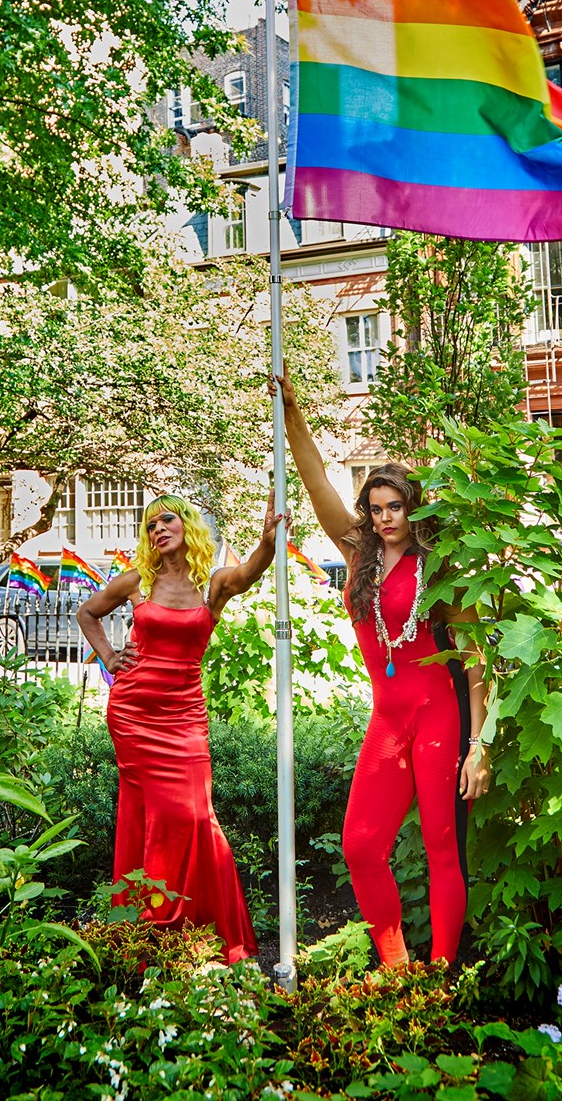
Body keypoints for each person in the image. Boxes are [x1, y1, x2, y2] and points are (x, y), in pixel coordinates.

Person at [270, 370, 491, 967]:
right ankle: (397, 970)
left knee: (444, 848)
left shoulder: (440, 566)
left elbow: (474, 660)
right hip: (388, 721)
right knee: (362, 846)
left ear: (411, 508)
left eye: (395, 507)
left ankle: (441, 978)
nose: (385, 517)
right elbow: (317, 486)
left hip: (439, 717)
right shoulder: (357, 553)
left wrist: (479, 745)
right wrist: (292, 413)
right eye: (376, 508)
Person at [77, 492, 283, 965]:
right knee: (146, 816)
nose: (158, 530)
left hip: (184, 717)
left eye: (166, 520)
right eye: (150, 526)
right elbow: (87, 612)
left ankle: (189, 926)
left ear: (187, 525)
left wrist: (267, 542)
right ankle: (148, 929)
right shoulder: (138, 584)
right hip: (132, 713)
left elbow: (248, 573)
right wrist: (110, 657)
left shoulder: (211, 585)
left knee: (192, 817)